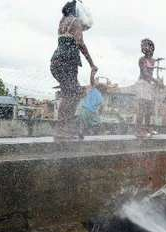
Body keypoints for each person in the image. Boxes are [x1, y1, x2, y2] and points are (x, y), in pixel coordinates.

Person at [50, 0, 98, 141]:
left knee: (73, 93)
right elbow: (80, 43)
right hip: (68, 62)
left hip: (56, 62)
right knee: (69, 95)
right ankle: (61, 128)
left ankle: (65, 126)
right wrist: (91, 64)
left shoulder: (62, 21)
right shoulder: (75, 21)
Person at [135, 38, 158, 138]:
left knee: (149, 108)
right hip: (142, 84)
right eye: (142, 46)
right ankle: (138, 130)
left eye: (146, 46)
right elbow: (144, 73)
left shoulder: (152, 60)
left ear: (152, 48)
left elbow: (150, 74)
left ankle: (148, 128)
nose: (144, 48)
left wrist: (154, 82)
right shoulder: (142, 59)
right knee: (142, 108)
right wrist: (156, 81)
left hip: (148, 85)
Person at [76, 69, 104, 138]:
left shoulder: (93, 90)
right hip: (92, 112)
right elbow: (101, 107)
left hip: (85, 109)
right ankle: (91, 131)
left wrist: (92, 73)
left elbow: (91, 81)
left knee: (82, 123)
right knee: (97, 123)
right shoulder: (101, 97)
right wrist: (99, 113)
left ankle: (82, 132)